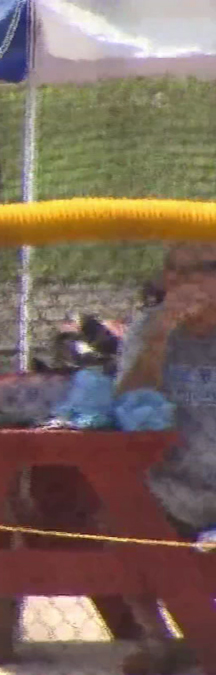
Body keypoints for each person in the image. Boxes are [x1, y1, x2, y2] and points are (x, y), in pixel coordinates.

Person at [113, 242, 216, 675]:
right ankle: (158, 640)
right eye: (172, 271)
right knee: (120, 515)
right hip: (168, 482)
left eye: (193, 271)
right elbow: (128, 403)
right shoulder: (148, 327)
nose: (178, 282)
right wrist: (160, 334)